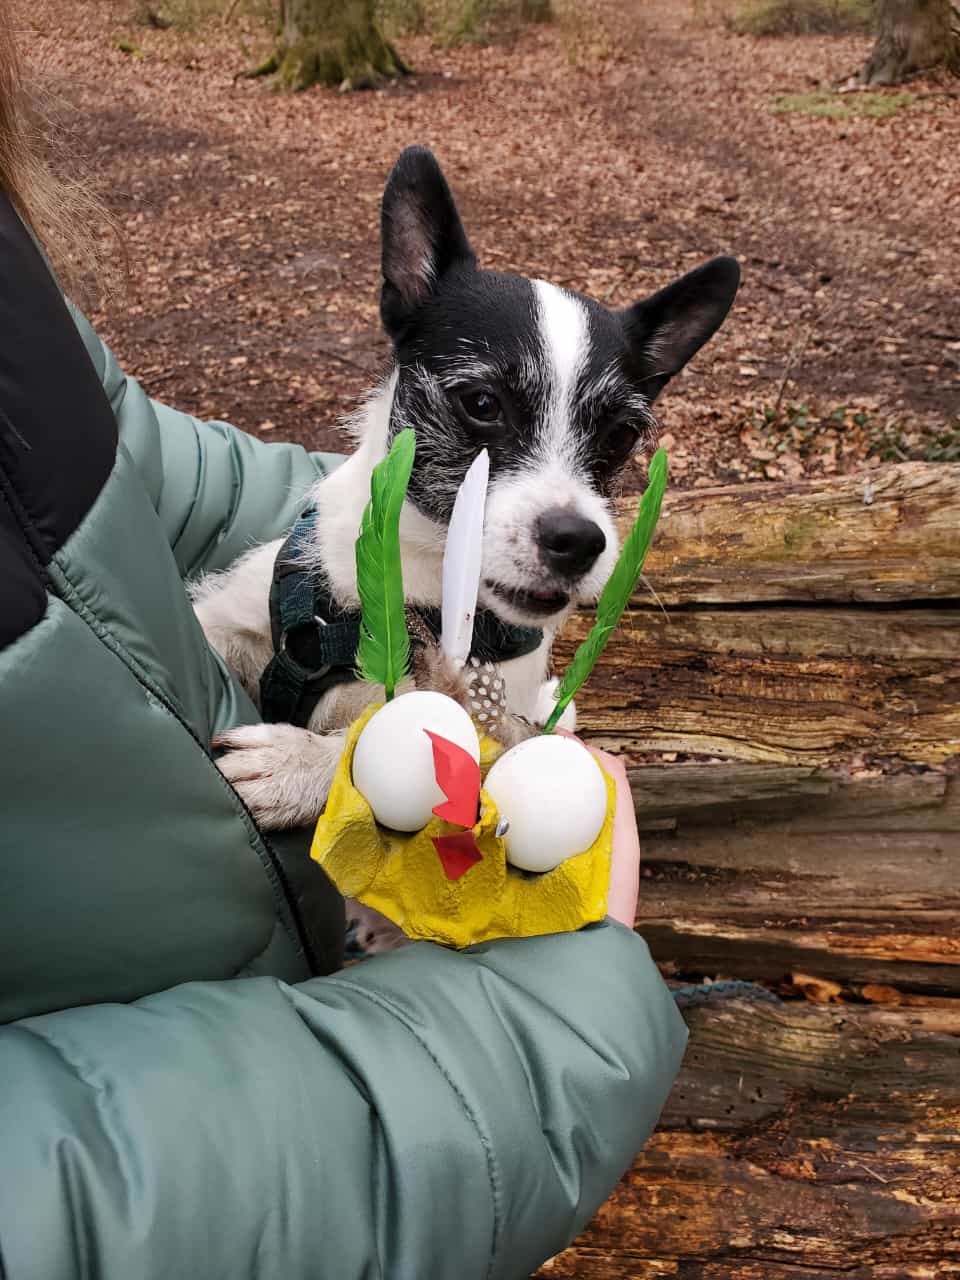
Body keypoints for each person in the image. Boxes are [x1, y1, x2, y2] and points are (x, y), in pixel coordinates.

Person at [0, 10, 687, 1278]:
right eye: (486, 412)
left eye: (602, 447)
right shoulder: (314, 553)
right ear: (407, 303)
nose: (569, 506)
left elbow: (117, 461)